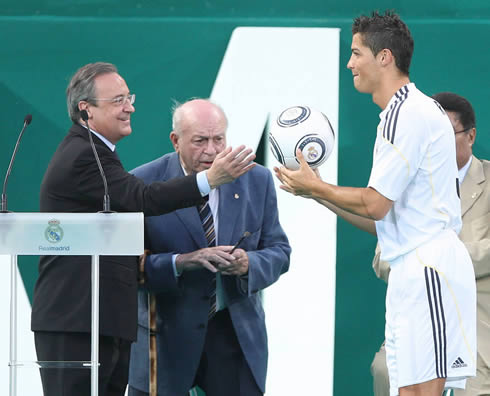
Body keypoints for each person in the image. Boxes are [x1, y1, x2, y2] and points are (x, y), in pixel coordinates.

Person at [275, 11, 476, 396]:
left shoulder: (409, 113)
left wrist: (318, 188)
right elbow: (384, 219)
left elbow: (375, 205)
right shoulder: (399, 114)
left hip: (428, 269)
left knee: (422, 394)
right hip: (412, 269)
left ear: (384, 57)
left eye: (356, 53)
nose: (349, 63)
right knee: (405, 391)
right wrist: (315, 191)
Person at [31, 62, 256, 396]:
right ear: (86, 109)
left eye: (129, 97)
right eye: (118, 100)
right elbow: (141, 197)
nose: (130, 107)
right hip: (78, 321)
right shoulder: (82, 154)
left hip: (101, 320)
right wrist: (210, 179)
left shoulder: (98, 153)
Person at [127, 99, 291, 396]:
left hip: (235, 333)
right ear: (175, 141)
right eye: (200, 141)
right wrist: (181, 261)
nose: (212, 151)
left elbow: (279, 251)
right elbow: (127, 267)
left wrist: (248, 264)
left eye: (219, 139)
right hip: (165, 336)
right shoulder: (143, 183)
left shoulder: (256, 179)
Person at [371, 92, 490, 396]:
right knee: (384, 370)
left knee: (469, 385)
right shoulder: (406, 183)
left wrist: (441, 257)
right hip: (417, 314)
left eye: (446, 133)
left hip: (478, 323)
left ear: (471, 135)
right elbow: (382, 258)